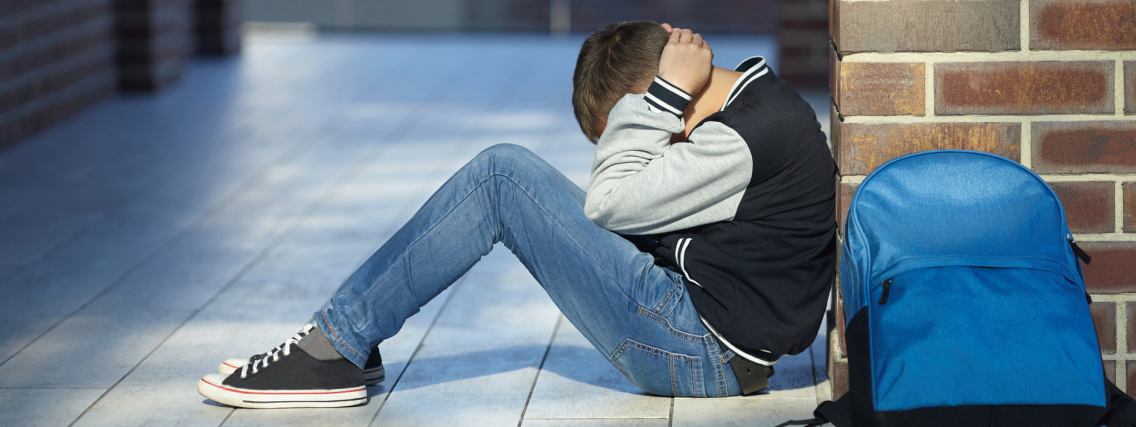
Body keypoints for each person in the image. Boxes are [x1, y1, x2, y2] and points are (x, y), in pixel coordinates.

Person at [197, 21, 836, 408]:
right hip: (708, 335)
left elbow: (610, 202)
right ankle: (348, 341)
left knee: (503, 175)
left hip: (701, 352)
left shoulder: (741, 138)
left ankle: (333, 347)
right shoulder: (758, 111)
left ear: (663, 99)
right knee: (512, 177)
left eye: (638, 126)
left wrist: (662, 97)